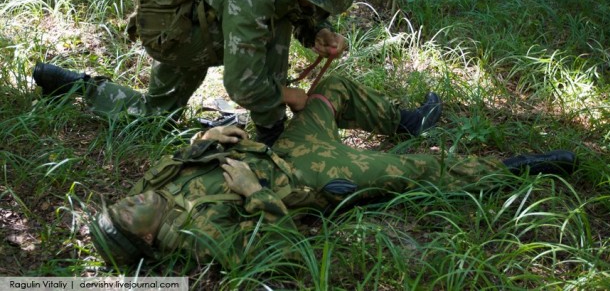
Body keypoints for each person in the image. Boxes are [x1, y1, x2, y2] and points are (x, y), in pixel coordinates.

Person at [89, 75, 577, 267]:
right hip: (312, 174)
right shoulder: (201, 237)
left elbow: (178, 160)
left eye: (118, 204)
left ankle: (406, 121)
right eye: (126, 216)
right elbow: (279, 249)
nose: (127, 202)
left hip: (282, 142)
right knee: (422, 171)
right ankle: (513, 171)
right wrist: (254, 190)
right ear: (147, 241)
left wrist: (204, 141)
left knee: (332, 88)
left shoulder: (146, 192)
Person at [32, 0, 354, 145]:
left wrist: (318, 31)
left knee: (154, 114)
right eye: (318, 1)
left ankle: (271, 131)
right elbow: (242, 85)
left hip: (204, 15)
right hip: (179, 31)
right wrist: (288, 95)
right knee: (156, 117)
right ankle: (273, 135)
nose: (319, 8)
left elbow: (290, 4)